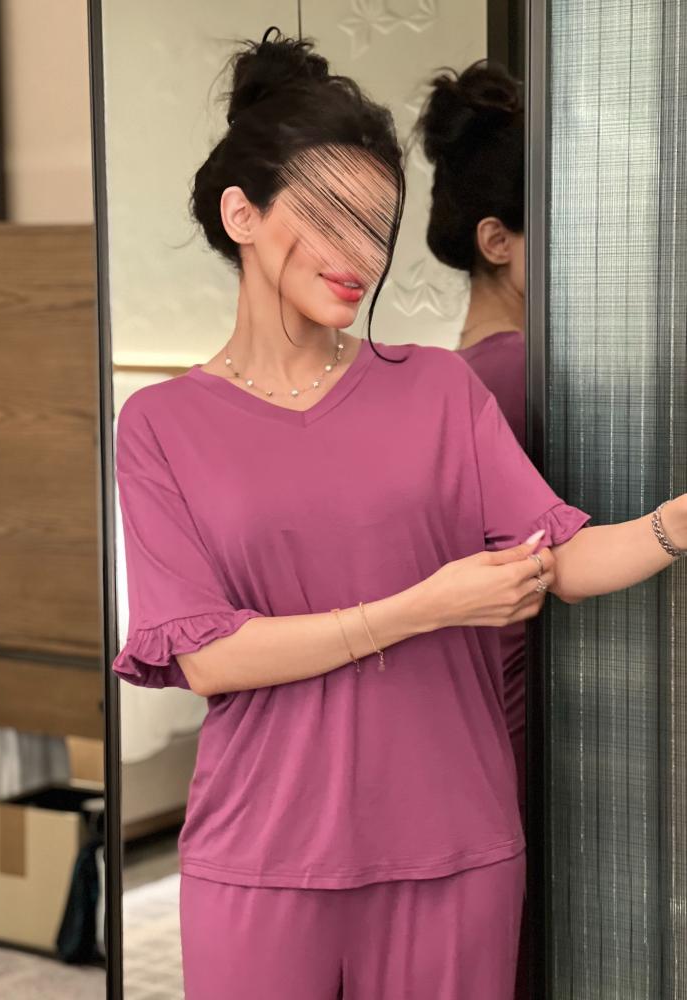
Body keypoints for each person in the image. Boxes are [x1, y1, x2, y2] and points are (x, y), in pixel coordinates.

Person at [111, 30, 687, 1000]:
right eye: (331, 217)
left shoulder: (438, 391)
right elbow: (209, 656)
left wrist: (675, 521)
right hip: (260, 856)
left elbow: (562, 557)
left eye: (377, 228)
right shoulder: (161, 425)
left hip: (454, 850)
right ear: (241, 213)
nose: (360, 256)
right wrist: (425, 606)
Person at [417, 58, 529, 1000]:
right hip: (534, 729)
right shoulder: (524, 374)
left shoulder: (449, 381)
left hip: (462, 731)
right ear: (497, 239)